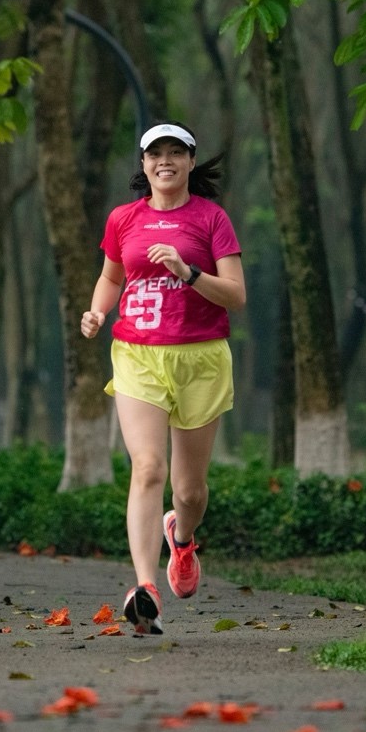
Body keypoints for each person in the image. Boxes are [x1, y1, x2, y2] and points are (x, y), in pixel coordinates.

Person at [80, 122, 245, 634]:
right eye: (156, 154)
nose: (165, 161)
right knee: (148, 467)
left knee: (190, 491)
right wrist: (96, 311)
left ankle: (183, 535)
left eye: (177, 152)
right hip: (138, 355)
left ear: (192, 163)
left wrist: (188, 272)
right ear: (144, 164)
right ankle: (144, 586)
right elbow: (111, 276)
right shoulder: (124, 218)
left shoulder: (211, 218)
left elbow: (236, 296)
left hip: (201, 358)